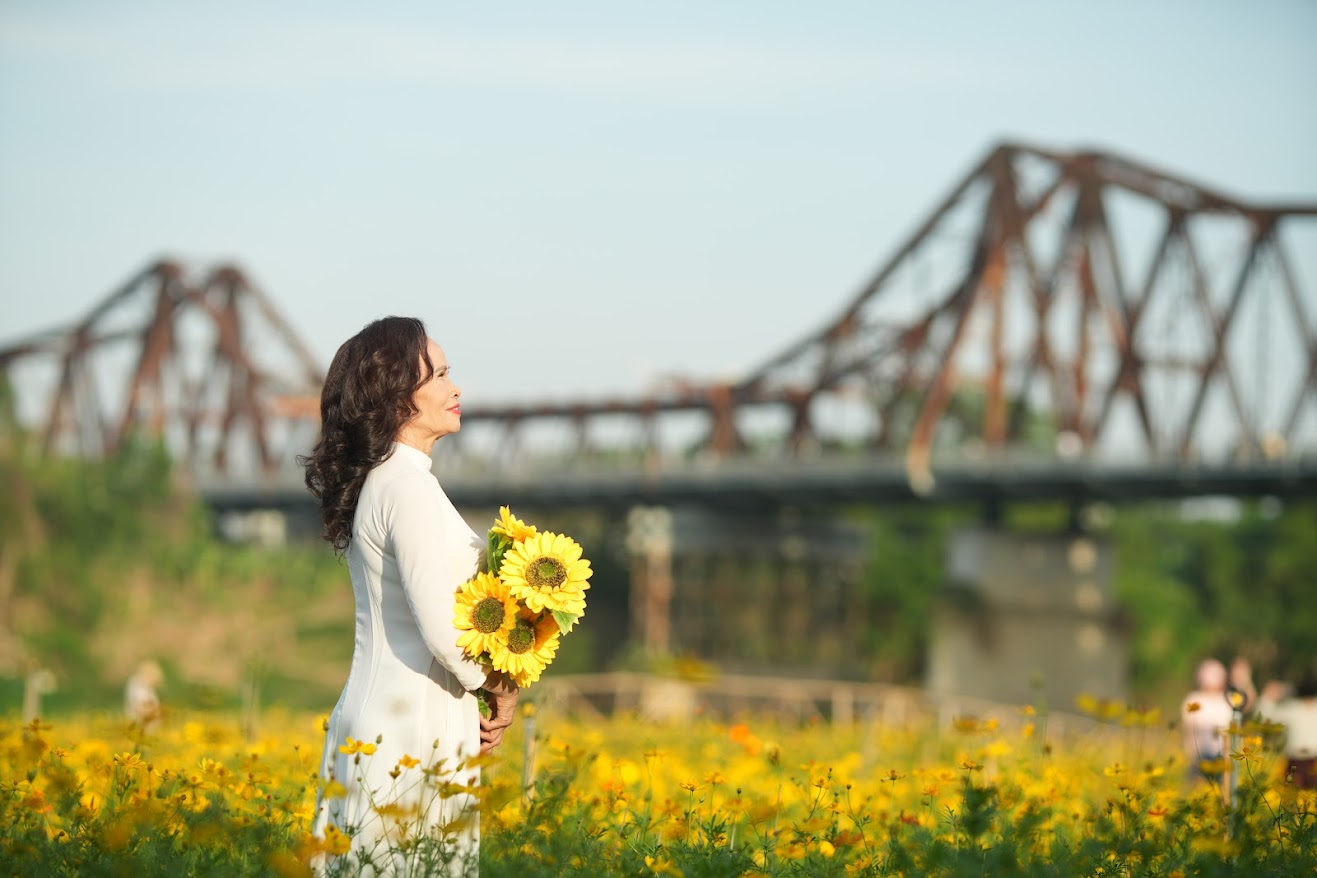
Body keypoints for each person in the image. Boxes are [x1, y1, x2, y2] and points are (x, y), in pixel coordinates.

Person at [302, 316, 518, 875]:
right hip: (405, 729)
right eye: (441, 374)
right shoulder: (407, 487)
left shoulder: (394, 479)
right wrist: (501, 688)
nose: (456, 388)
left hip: (394, 716)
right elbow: (444, 630)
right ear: (398, 397)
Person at [1258, 672, 1317, 790]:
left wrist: (1267, 698)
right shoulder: (1294, 708)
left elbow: (1267, 717)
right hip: (1308, 761)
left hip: (1296, 762)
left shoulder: (1292, 708)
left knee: (1292, 799)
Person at [1180, 658, 1234, 783]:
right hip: (1199, 756)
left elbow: (1246, 703)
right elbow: (1188, 728)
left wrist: (1244, 680)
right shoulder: (1194, 698)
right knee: (1199, 791)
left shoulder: (1227, 698)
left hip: (1223, 756)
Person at [124, 660, 163, 733]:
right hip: (142, 727)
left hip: (142, 726)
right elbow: (142, 706)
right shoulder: (139, 687)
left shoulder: (142, 686)